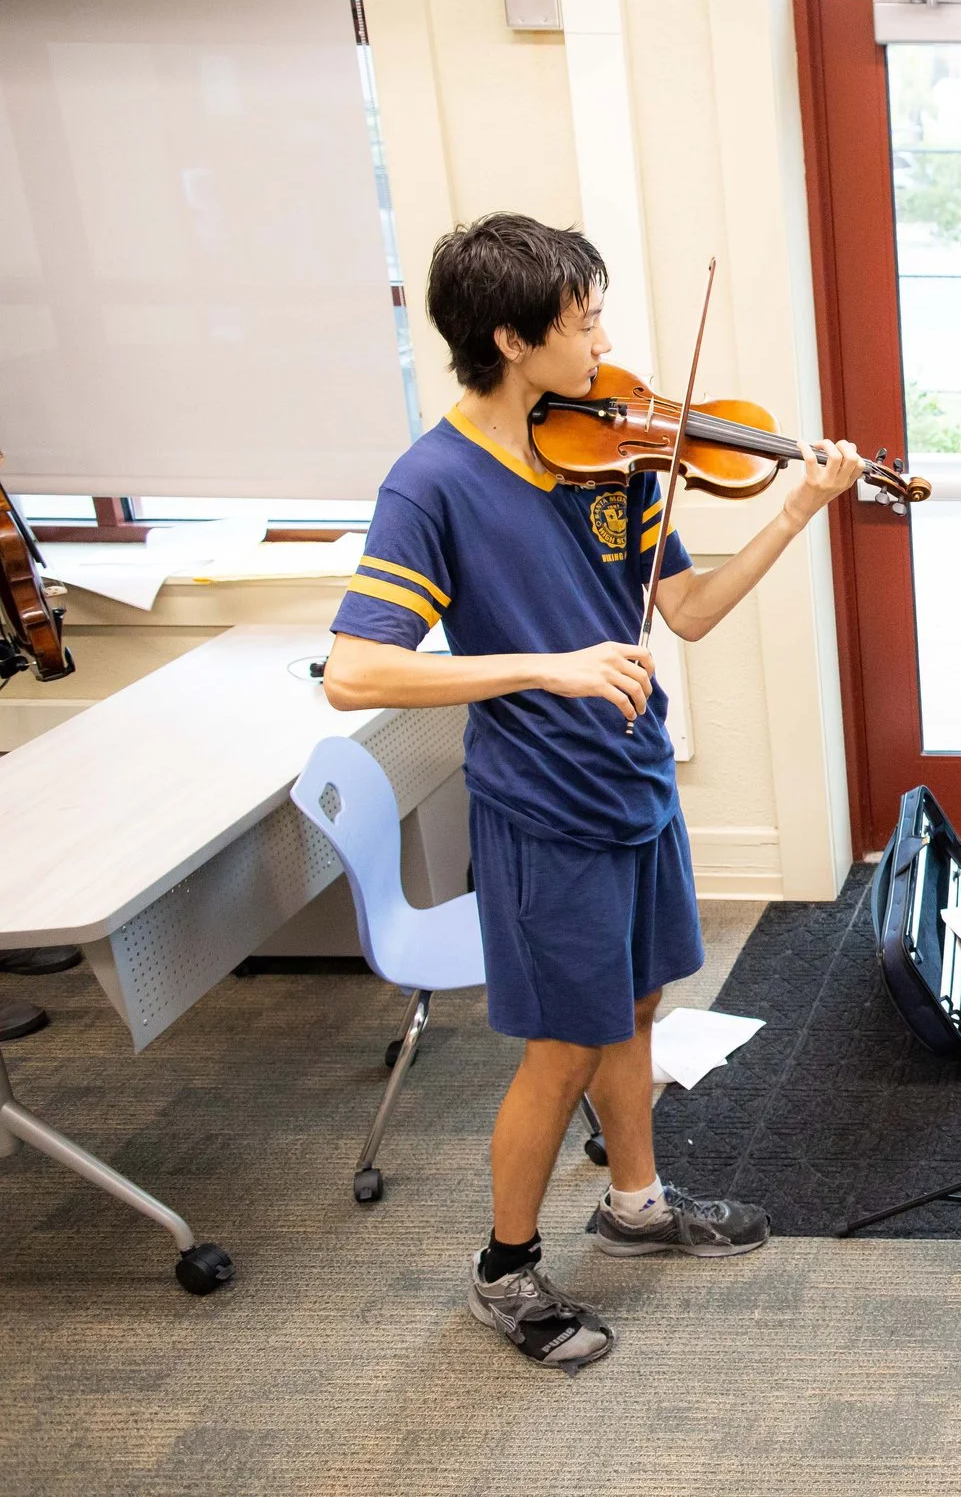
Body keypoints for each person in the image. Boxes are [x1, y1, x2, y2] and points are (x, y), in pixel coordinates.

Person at [322, 214, 863, 1372]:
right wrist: (546, 665)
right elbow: (353, 670)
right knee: (563, 1046)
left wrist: (795, 509)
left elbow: (688, 611)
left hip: (634, 778)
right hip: (542, 807)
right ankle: (503, 1267)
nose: (606, 344)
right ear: (512, 340)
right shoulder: (431, 484)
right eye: (585, 323)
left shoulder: (613, 452)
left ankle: (636, 1202)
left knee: (639, 1004)